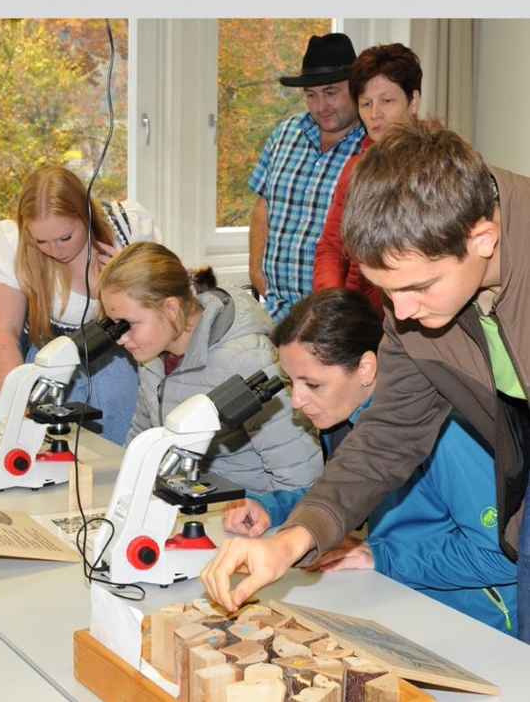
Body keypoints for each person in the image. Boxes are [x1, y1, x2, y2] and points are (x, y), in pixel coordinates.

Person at [201, 121, 530, 646]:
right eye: (386, 290)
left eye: (419, 286)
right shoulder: (413, 308)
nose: (400, 313)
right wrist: (293, 540)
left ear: (483, 239)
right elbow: (387, 438)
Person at [223, 290, 517, 635]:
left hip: (476, 624)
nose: (298, 401)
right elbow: (350, 495)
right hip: (401, 596)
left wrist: (384, 557)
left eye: (313, 384)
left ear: (366, 368)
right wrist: (274, 507)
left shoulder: (449, 432)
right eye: (291, 383)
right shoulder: (346, 419)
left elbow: (502, 556)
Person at [98, 241, 323, 493]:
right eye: (114, 325)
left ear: (171, 308)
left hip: (249, 512)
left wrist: (260, 517)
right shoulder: (153, 356)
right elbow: (143, 437)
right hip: (190, 500)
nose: (120, 338)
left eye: (127, 324)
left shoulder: (247, 359)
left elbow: (301, 477)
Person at [0, 165, 161, 445]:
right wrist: (17, 405)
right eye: (41, 241)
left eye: (65, 237)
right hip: (49, 378)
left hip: (122, 375)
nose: (55, 250)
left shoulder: (128, 227)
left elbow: (164, 314)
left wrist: (123, 281)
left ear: (86, 216)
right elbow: (3, 334)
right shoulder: (11, 244)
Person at [248, 32, 366, 322]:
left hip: (336, 317)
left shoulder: (371, 148)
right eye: (311, 95)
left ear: (355, 88)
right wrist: (255, 271)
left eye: (331, 92)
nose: (321, 106)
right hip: (275, 310)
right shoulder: (285, 133)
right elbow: (263, 205)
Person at [313, 43, 422, 311]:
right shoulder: (355, 169)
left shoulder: (437, 166)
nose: (375, 114)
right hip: (359, 318)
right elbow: (331, 248)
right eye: (366, 103)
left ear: (413, 101)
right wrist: (333, 305)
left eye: (387, 101)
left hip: (416, 314)